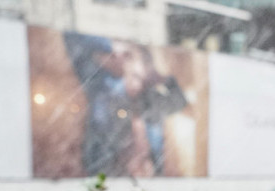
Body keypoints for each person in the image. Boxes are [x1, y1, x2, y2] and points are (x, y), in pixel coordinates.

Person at [64, 32, 187, 177]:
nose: (123, 61)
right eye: (118, 56)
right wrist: (102, 57)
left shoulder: (152, 100)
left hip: (146, 174)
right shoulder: (103, 89)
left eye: (127, 56)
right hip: (109, 174)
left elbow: (179, 102)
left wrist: (162, 79)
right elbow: (72, 40)